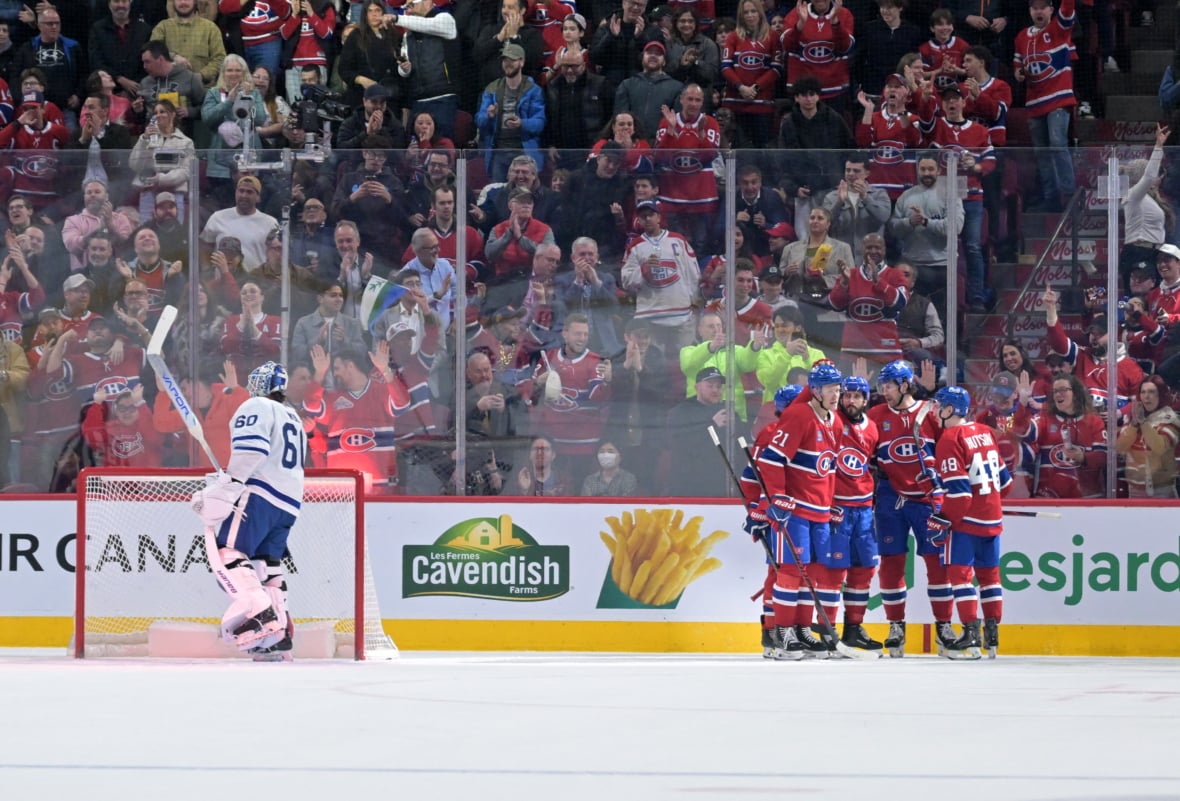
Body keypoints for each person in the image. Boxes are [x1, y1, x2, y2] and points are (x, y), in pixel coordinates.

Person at [190, 361, 306, 661]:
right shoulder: (293, 415)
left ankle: (260, 615)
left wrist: (229, 484)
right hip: (289, 502)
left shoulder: (255, 405)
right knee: (267, 565)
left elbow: (253, 450)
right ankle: (279, 637)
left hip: (260, 494)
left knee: (227, 551)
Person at [750, 359, 844, 659]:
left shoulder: (836, 421)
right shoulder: (798, 416)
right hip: (796, 511)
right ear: (815, 390)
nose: (835, 394)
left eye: (838, 388)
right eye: (829, 388)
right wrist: (776, 498)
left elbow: (829, 469)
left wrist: (834, 503)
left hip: (820, 511)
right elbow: (771, 461)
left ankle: (802, 629)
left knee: (813, 573)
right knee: (791, 572)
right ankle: (783, 632)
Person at [867, 359, 951, 658]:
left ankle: (944, 626)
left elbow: (949, 451)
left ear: (904, 385)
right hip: (890, 496)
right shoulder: (875, 415)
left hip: (927, 499)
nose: (884, 391)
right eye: (882, 386)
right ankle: (895, 626)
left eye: (889, 385)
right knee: (891, 562)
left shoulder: (931, 412)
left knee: (937, 563)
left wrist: (951, 492)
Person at [927, 384, 1011, 659]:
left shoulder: (950, 439)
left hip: (966, 523)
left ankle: (971, 636)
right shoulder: (986, 432)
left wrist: (943, 519)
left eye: (939, 405)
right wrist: (989, 503)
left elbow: (960, 495)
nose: (935, 410)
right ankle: (993, 637)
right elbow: (1006, 483)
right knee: (990, 577)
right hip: (992, 520)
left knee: (960, 577)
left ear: (949, 409)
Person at [1013, 0, 1076, 213]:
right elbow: (1017, 66)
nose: (1039, 12)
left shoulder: (1058, 28)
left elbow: (1067, 10)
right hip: (1034, 103)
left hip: (1058, 98)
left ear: (1051, 9)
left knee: (1057, 143)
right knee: (1041, 153)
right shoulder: (1021, 37)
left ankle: (1070, 195)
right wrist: (1019, 74)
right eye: (1035, 8)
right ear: (1030, 11)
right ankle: (1051, 199)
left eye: (1043, 7)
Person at [1012, 372, 1106, 498]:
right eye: (1055, 391)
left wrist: (1084, 457)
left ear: (1076, 393)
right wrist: (1022, 403)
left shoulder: (1094, 421)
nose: (1057, 394)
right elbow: (1022, 431)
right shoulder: (1044, 418)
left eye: (1063, 390)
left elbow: (1104, 457)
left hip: (1087, 499)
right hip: (1048, 499)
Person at [827, 233, 908, 366]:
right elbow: (834, 305)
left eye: (877, 247)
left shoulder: (895, 275)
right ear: (862, 249)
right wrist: (845, 284)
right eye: (869, 247)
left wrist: (879, 281)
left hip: (886, 349)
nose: (873, 251)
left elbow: (900, 303)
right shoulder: (850, 274)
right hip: (853, 349)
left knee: (890, 387)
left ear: (884, 249)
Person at [1119, 125, 1172, 295]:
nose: (1157, 176)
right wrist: (1158, 147)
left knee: (1152, 302)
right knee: (1136, 301)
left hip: (1153, 253)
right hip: (1139, 252)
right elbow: (1149, 176)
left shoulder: (1149, 199)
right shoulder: (1134, 194)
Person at [128, 99, 197, 220]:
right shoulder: (146, 138)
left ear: (173, 114)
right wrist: (144, 140)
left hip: (175, 191)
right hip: (148, 190)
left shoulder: (186, 142)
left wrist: (161, 179)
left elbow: (186, 170)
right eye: (156, 112)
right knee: (147, 229)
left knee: (174, 230)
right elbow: (134, 164)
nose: (158, 115)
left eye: (162, 112)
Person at [1115, 375, 1180, 498]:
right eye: (1143, 392)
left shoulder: (1171, 419)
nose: (1146, 396)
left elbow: (1160, 448)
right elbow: (1120, 448)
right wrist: (1134, 425)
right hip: (1134, 490)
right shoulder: (1131, 418)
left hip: (1162, 491)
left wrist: (1143, 424)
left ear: (1161, 394)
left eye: (1151, 392)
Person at [149, 0, 227, 87]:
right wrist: (173, 56)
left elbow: (220, 58)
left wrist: (200, 76)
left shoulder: (211, 28)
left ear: (195, 2)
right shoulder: (163, 27)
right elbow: (152, 51)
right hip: (168, 89)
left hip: (202, 89)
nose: (183, 2)